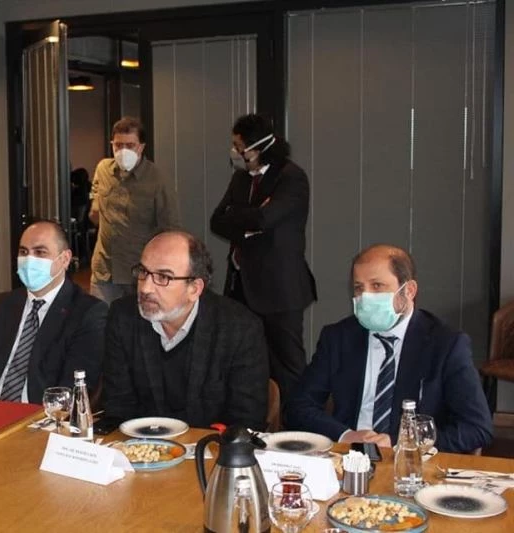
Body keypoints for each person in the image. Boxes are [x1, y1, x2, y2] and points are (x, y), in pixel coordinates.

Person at [284, 244, 493, 453]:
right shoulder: (338, 338)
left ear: (409, 291)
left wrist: (399, 443)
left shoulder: (446, 344)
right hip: (349, 456)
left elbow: (477, 428)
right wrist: (345, 435)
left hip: (412, 460)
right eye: (358, 288)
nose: (365, 297)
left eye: (377, 286)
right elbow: (298, 406)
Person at [103, 231, 269, 429]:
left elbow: (247, 421)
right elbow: (118, 407)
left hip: (210, 445)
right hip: (142, 443)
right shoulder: (123, 317)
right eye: (143, 272)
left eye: (163, 277)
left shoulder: (240, 328)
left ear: (194, 289)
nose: (145, 288)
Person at [210, 114, 316, 403]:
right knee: (245, 359)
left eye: (239, 146)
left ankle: (296, 419)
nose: (235, 152)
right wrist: (249, 223)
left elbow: (266, 218)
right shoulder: (240, 177)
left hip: (279, 288)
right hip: (241, 285)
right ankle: (255, 416)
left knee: (287, 363)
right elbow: (217, 221)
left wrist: (240, 216)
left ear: (257, 147)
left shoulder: (291, 177)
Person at [0, 221, 107, 403]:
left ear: (65, 259)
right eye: (24, 252)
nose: (29, 259)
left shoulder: (87, 313)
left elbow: (71, 390)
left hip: (40, 413)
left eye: (40, 252)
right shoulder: (1, 305)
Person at [88, 116, 180, 304]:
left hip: (139, 272)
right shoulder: (103, 169)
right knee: (98, 319)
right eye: (118, 145)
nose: (123, 151)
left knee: (137, 321)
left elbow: (170, 229)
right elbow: (95, 210)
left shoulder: (157, 179)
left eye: (130, 146)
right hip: (104, 270)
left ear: (141, 147)